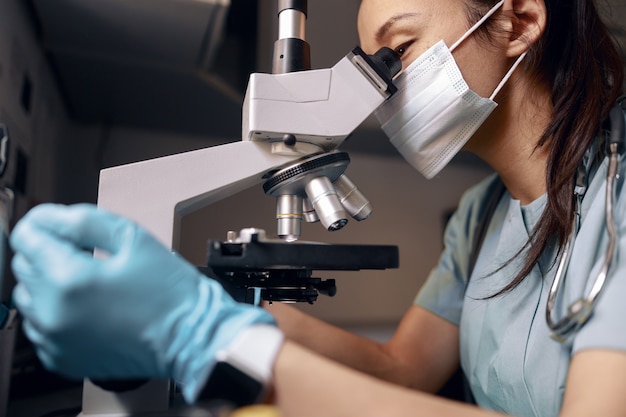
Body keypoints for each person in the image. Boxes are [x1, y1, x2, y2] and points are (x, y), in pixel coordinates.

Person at [8, 0, 626, 416]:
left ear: (517, 21)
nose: (383, 92)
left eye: (400, 50)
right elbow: (402, 368)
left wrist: (211, 340)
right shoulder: (481, 214)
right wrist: (225, 309)